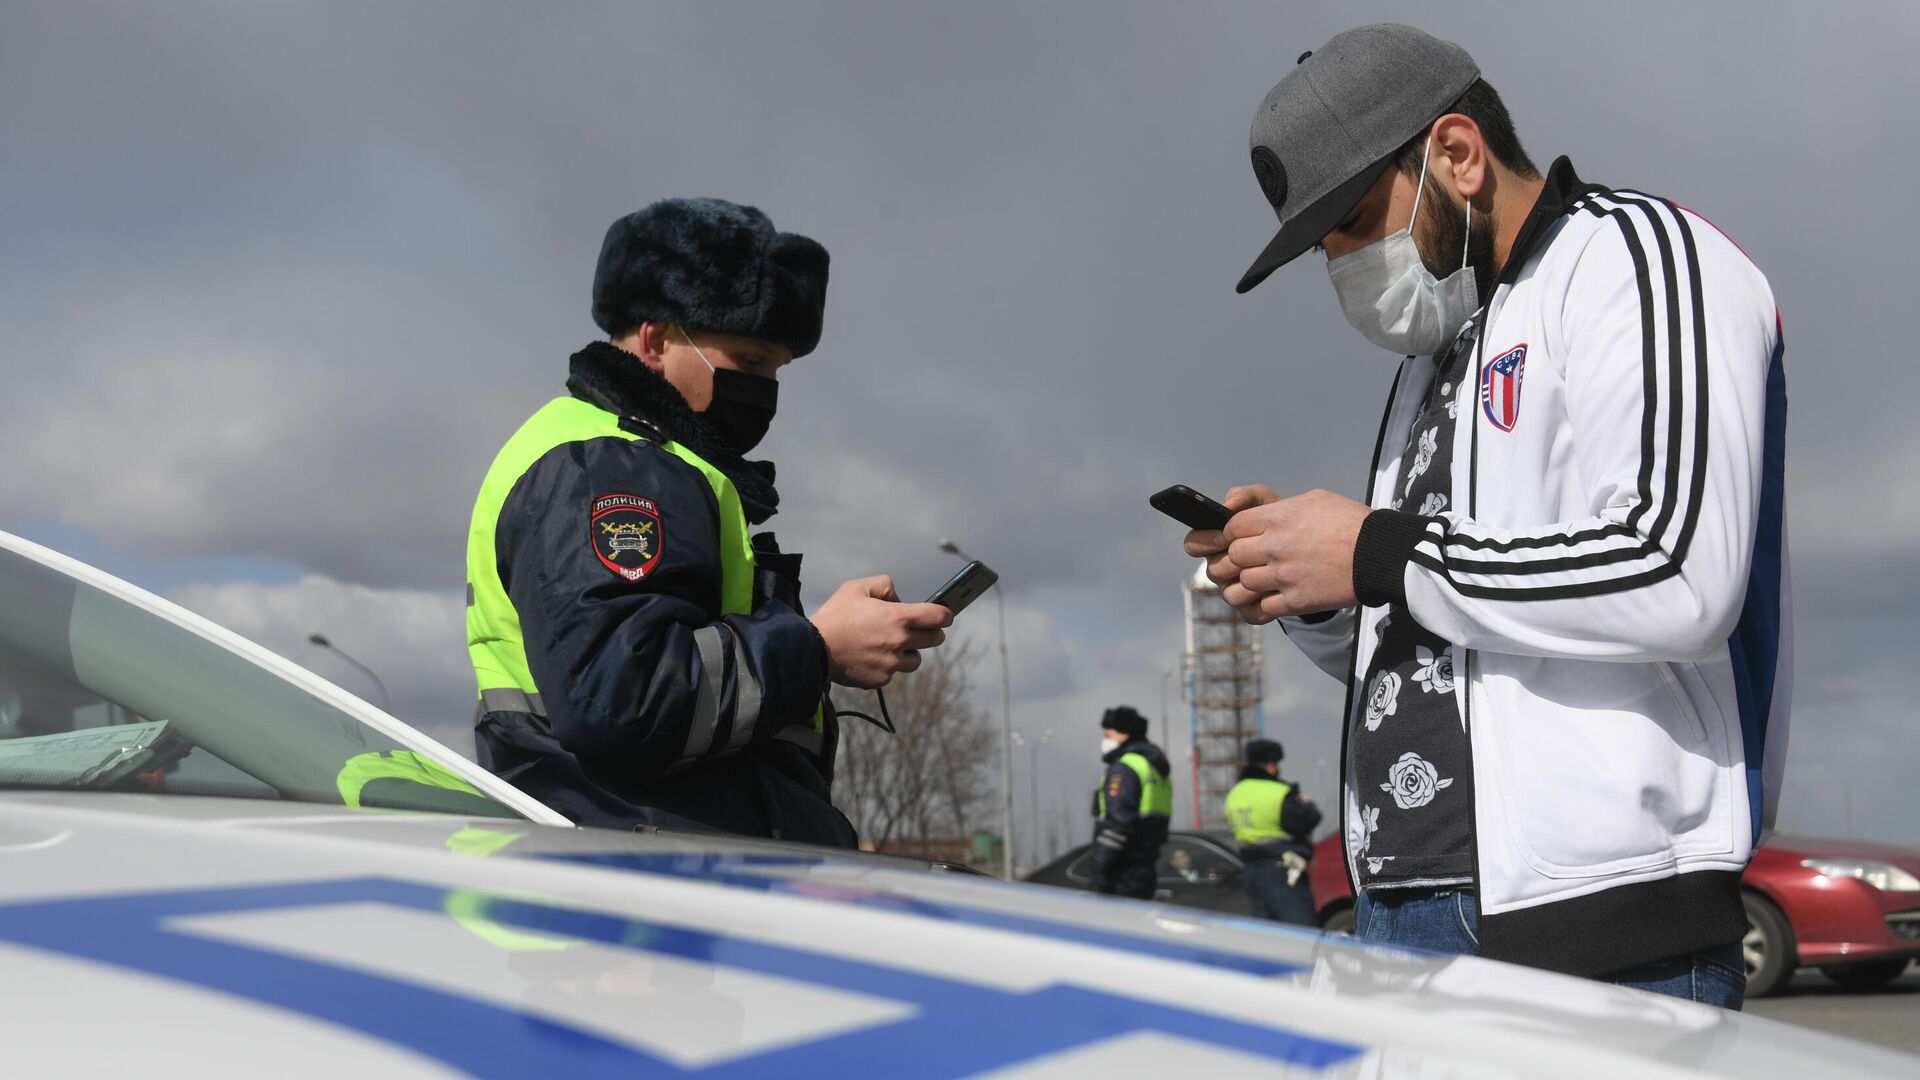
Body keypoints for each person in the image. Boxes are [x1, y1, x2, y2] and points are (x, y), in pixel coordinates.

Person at [1185, 24, 1787, 1007]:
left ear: (1455, 155)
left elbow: (1675, 569)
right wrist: (1312, 586)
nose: (1340, 260)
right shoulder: (1437, 351)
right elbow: (1436, 617)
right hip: (1400, 910)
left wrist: (1377, 550)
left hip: (1594, 926)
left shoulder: (1633, 259)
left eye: (1349, 221)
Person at [466, 198, 952, 847]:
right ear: (657, 339)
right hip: (639, 882)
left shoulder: (642, 460)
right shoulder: (613, 467)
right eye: (751, 362)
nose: (766, 389)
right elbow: (622, 703)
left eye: (778, 369)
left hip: (651, 858)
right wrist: (815, 649)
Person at [1223, 738, 1322, 926]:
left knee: (1267, 936)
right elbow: (1310, 818)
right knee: (1302, 935)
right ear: (1271, 764)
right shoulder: (1279, 792)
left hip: (1251, 871)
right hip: (1282, 870)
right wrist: (1307, 803)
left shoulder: (1234, 794)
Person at [1088, 706, 1172, 899]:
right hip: (1145, 864)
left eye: (1108, 734)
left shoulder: (1125, 768)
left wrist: (1101, 865)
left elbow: (1119, 822)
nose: (1105, 740)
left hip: (1121, 870)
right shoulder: (1154, 767)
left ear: (1124, 734)